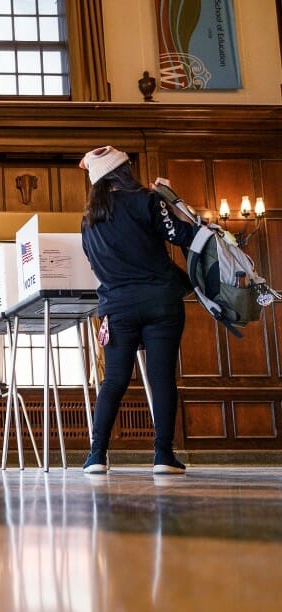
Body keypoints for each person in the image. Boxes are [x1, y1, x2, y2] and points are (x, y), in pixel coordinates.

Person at [78, 145, 195, 475]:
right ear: (124, 171)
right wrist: (173, 199)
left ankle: (96, 456)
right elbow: (184, 235)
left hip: (116, 307)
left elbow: (94, 264)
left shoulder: (88, 222)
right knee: (161, 378)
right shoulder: (148, 199)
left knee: (114, 379)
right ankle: (162, 456)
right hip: (161, 301)